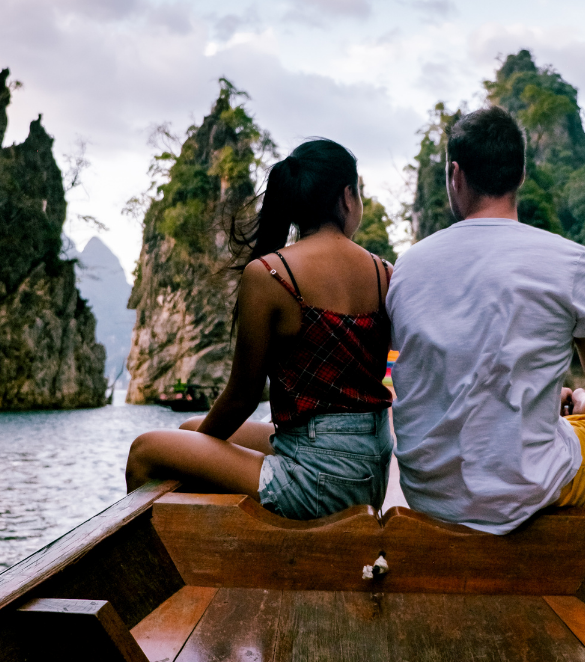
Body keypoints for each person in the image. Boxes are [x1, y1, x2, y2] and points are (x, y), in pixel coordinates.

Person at [386, 106, 585, 541]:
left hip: (430, 494)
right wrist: (580, 402)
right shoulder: (573, 262)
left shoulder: (408, 267)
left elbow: (414, 374)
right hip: (528, 488)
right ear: (521, 173)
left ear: (455, 174)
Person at [125, 138, 395, 520]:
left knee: (144, 451)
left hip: (318, 479)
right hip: (370, 468)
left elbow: (242, 397)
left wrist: (198, 450)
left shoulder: (271, 273)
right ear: (347, 197)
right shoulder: (385, 272)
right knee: (189, 426)